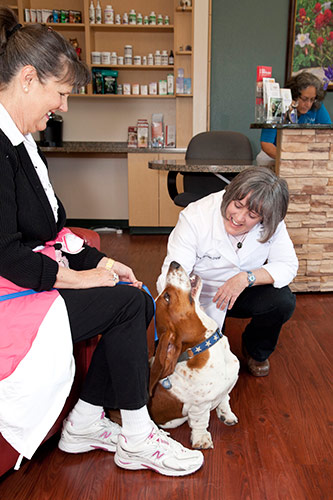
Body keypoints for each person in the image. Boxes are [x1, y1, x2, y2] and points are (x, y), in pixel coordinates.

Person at [0, 7, 203, 476]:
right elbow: (6, 253)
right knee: (129, 306)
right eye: (62, 94)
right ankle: (136, 435)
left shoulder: (25, 146)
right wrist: (80, 277)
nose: (64, 107)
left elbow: (57, 231)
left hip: (34, 284)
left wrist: (107, 264)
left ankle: (87, 420)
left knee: (134, 295)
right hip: (13, 297)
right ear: (28, 79)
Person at [157, 166, 298, 377]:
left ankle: (255, 351)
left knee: (282, 301)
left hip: (241, 290)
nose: (239, 218)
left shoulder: (272, 221)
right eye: (237, 205)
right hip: (199, 295)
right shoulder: (196, 216)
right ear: (229, 195)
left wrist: (246, 278)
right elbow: (174, 275)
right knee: (191, 367)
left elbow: (287, 265)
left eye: (252, 215)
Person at [256, 71, 332, 166]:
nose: (308, 104)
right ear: (294, 95)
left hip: (304, 156)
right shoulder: (277, 106)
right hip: (274, 155)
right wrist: (289, 158)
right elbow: (266, 144)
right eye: (304, 99)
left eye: (312, 99)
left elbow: (328, 136)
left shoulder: (317, 106)